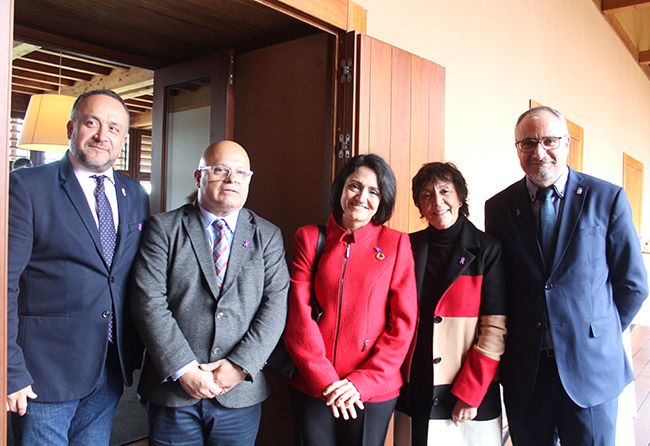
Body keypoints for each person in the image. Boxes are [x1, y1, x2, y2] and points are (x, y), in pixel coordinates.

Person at [485, 105, 648, 445]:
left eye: (549, 141)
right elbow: (499, 285)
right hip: (526, 372)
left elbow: (633, 284)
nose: (539, 152)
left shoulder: (607, 198)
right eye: (528, 143)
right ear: (517, 148)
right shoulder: (499, 207)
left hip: (591, 368)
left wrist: (595, 331)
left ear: (567, 144)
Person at [6, 89, 150, 444]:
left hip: (109, 368)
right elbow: (4, 283)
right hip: (44, 373)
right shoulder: (27, 187)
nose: (102, 135)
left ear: (123, 139)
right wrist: (10, 369)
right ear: (71, 128)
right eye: (92, 123)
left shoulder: (135, 195)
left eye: (114, 128)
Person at [130, 140, 289, 445]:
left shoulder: (267, 236)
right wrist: (184, 369)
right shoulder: (163, 228)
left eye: (241, 173)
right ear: (198, 176)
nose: (232, 179)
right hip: (174, 389)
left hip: (239, 391)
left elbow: (275, 306)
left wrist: (239, 366)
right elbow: (148, 301)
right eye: (220, 170)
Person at [284, 153, 418, 446]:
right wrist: (327, 381)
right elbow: (297, 315)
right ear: (341, 189)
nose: (361, 197)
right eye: (354, 186)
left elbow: (403, 324)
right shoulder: (309, 238)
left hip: (372, 391)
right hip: (313, 385)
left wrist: (360, 383)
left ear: (383, 199)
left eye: (374, 191)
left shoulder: (396, 244)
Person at [394, 162, 506, 446]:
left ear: (460, 196)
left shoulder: (487, 249)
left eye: (445, 191)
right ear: (420, 205)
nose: (437, 202)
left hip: (465, 383)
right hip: (416, 381)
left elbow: (494, 329)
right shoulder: (408, 246)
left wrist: (471, 391)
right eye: (426, 195)